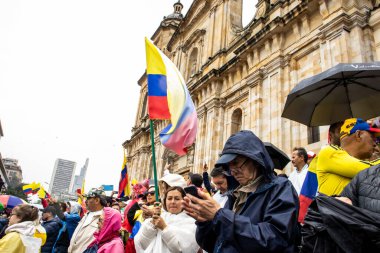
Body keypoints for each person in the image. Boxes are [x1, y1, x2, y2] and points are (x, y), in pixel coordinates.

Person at [183, 130, 300, 252]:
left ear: (255, 160)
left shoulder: (280, 188)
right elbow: (214, 244)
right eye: (229, 166)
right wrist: (205, 223)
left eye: (236, 163)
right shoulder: (235, 195)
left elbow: (274, 239)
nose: (233, 171)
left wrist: (220, 216)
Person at [317, 118, 380, 196]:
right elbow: (370, 171)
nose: (375, 144)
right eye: (372, 138)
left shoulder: (365, 160)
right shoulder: (329, 152)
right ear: (358, 135)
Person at [135, 186, 199, 253]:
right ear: (165, 201)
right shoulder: (159, 217)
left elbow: (182, 250)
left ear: (184, 201)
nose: (173, 202)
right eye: (169, 198)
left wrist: (164, 228)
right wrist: (152, 225)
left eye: (177, 199)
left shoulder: (191, 222)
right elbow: (142, 244)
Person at [68, 189, 107, 253]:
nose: (86, 201)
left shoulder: (104, 218)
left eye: (88, 198)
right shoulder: (87, 214)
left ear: (97, 200)